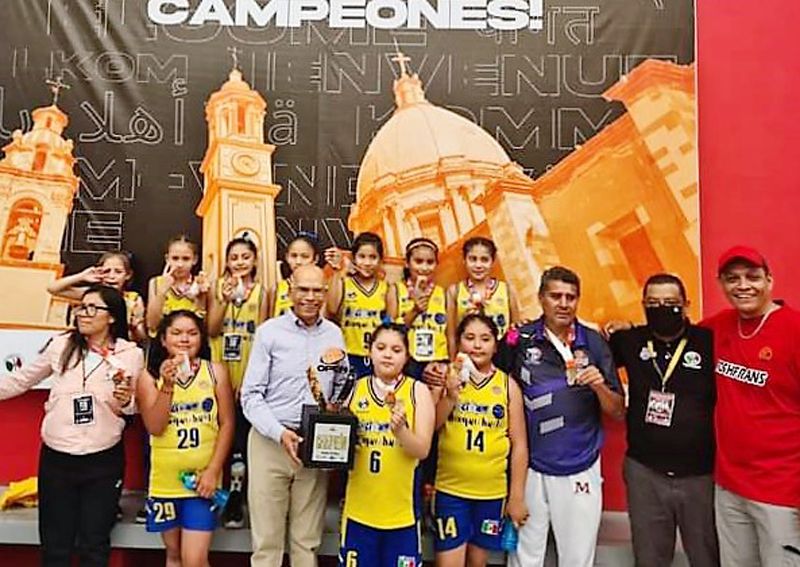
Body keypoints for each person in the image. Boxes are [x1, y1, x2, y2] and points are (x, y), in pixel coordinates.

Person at [0, 285, 143, 566]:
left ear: (112, 316)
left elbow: (134, 407)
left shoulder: (130, 354)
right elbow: (21, 380)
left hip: (103, 458)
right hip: (58, 457)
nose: (83, 314)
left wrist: (127, 400)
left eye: (92, 308)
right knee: (55, 546)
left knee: (94, 545)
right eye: (80, 307)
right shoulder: (61, 345)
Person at [496, 266, 624, 567]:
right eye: (556, 296)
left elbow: (618, 410)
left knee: (577, 560)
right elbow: (491, 384)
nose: (563, 303)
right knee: (524, 559)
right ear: (541, 298)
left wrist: (598, 386)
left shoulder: (593, 342)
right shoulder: (519, 339)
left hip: (579, 463)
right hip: (529, 467)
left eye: (570, 297)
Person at [241, 264, 350, 567]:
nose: (310, 297)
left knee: (307, 542)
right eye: (303, 289)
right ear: (290, 290)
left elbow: (341, 387)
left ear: (325, 293)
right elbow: (250, 396)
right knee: (267, 544)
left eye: (317, 290)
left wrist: (336, 410)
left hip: (313, 445)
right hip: (270, 441)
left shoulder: (334, 334)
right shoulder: (269, 332)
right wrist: (279, 433)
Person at [608, 274, 718, 567]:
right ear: (643, 305)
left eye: (670, 303)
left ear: (686, 305)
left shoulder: (708, 342)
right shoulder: (629, 340)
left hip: (700, 474)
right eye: (653, 303)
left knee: (706, 556)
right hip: (645, 472)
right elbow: (586, 349)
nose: (661, 309)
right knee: (649, 558)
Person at [702, 246, 800, 567]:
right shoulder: (716, 328)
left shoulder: (794, 330)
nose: (743, 286)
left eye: (752, 277)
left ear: (769, 280)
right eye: (733, 279)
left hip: (782, 490)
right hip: (729, 486)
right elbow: (671, 337)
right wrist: (621, 330)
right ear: (722, 284)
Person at [137, 310, 235, 567]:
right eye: (176, 333)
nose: (184, 339)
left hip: (202, 481)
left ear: (201, 338)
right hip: (165, 481)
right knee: (174, 555)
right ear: (163, 339)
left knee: (195, 559)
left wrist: (213, 471)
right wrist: (168, 386)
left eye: (192, 333)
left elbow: (227, 423)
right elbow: (155, 427)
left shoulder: (215, 372)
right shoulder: (149, 377)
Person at [433, 314, 528, 567]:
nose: (477, 345)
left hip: (491, 494)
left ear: (495, 346)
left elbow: (519, 445)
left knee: (478, 562)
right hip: (451, 491)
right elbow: (431, 427)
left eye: (485, 339)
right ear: (459, 342)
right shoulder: (446, 378)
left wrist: (516, 496)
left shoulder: (507, 386)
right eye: (470, 338)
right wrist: (450, 397)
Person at [339, 322, 435, 567]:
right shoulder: (354, 390)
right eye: (380, 348)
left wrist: (401, 431)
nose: (388, 354)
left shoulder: (418, 391)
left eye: (396, 349)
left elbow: (422, 450)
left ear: (407, 356)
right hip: (359, 512)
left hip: (402, 515)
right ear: (369, 351)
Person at [207, 237, 269, 529]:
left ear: (255, 261)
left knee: (242, 442)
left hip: (248, 375)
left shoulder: (263, 292)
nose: (240, 262)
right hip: (220, 372)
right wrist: (224, 299)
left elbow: (264, 339)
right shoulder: (217, 288)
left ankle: (236, 499)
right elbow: (211, 329)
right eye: (234, 257)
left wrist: (250, 380)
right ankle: (209, 494)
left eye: (246, 256)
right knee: (217, 437)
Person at [386, 237, 449, 396]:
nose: (424, 267)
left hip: (437, 361)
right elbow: (390, 332)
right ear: (407, 263)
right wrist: (415, 310)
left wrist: (448, 364)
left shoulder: (443, 293)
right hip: (407, 362)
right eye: (418, 261)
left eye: (430, 262)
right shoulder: (396, 290)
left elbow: (450, 332)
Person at [325, 232, 388, 379]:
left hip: (377, 357)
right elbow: (332, 309)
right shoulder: (344, 284)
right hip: (349, 355)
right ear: (354, 258)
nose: (367, 262)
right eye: (362, 257)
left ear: (380, 260)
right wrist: (337, 270)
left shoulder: (386, 289)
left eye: (373, 257)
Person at [47, 251, 147, 342]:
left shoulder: (134, 300)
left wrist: (135, 328)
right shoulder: (92, 294)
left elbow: (142, 337)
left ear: (128, 275)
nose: (111, 276)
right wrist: (82, 276)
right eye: (106, 271)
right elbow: (52, 288)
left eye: (118, 272)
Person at [446, 237, 518, 355]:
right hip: (468, 356)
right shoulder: (455, 291)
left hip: (502, 355)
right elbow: (451, 334)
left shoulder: (507, 290)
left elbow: (514, 329)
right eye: (473, 259)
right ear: (464, 260)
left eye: (484, 260)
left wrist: (511, 354)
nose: (478, 265)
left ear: (493, 261)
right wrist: (453, 361)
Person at [146, 235, 210, 336]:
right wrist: (162, 292)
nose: (180, 264)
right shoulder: (156, 283)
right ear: (167, 259)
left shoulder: (200, 283)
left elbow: (203, 326)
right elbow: (152, 325)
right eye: (175, 258)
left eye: (186, 259)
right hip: (163, 341)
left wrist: (202, 297)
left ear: (195, 259)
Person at [268, 232, 320, 318]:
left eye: (305, 256)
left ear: (315, 259)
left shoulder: (320, 289)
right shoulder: (277, 289)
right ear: (287, 257)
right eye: (294, 256)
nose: (298, 261)